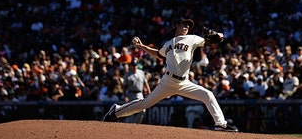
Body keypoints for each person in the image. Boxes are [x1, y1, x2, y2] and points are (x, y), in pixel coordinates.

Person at [102, 18, 238, 132]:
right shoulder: (168, 44)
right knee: (146, 103)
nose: (186, 27)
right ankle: (116, 111)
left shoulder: (192, 38)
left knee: (208, 95)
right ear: (177, 25)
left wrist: (218, 35)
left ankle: (220, 124)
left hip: (184, 82)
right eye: (184, 24)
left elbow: (210, 40)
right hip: (167, 81)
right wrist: (142, 46)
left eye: (188, 26)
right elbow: (157, 54)